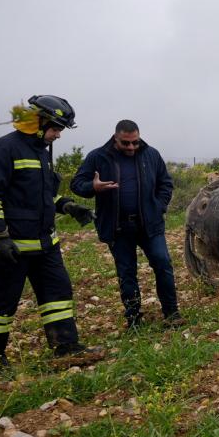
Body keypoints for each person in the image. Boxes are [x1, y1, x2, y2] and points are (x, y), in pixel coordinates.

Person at [0, 95, 100, 369]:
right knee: (2, 303)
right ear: (37, 122)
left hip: (44, 244)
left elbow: (39, 198)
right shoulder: (3, 148)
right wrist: (0, 237)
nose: (58, 134)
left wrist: (68, 206)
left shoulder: (41, 151)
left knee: (58, 294)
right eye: (56, 128)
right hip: (9, 247)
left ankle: (65, 346)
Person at [71, 119, 181, 329]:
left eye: (135, 142)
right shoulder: (98, 157)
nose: (131, 147)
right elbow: (77, 184)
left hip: (150, 225)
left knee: (163, 265)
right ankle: (133, 319)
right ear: (116, 139)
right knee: (127, 273)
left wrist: (158, 206)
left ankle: (172, 313)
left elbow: (165, 183)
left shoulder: (151, 154)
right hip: (118, 227)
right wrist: (93, 187)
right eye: (126, 143)